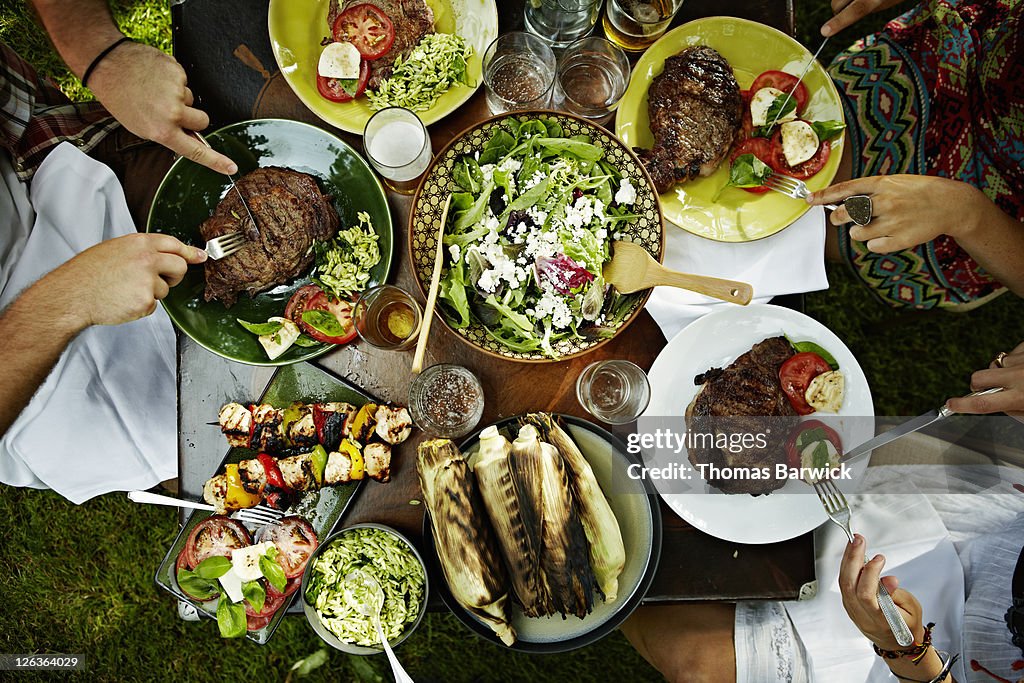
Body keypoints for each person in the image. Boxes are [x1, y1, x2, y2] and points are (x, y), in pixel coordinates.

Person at [0, 1, 232, 496]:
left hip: (47, 154)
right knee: (222, 456)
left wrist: (102, 55)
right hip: (37, 395)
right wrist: (67, 299)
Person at [804, 0, 1024, 309]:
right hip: (953, 49)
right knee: (804, 123)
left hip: (992, 210)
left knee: (807, 227)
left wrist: (967, 214)